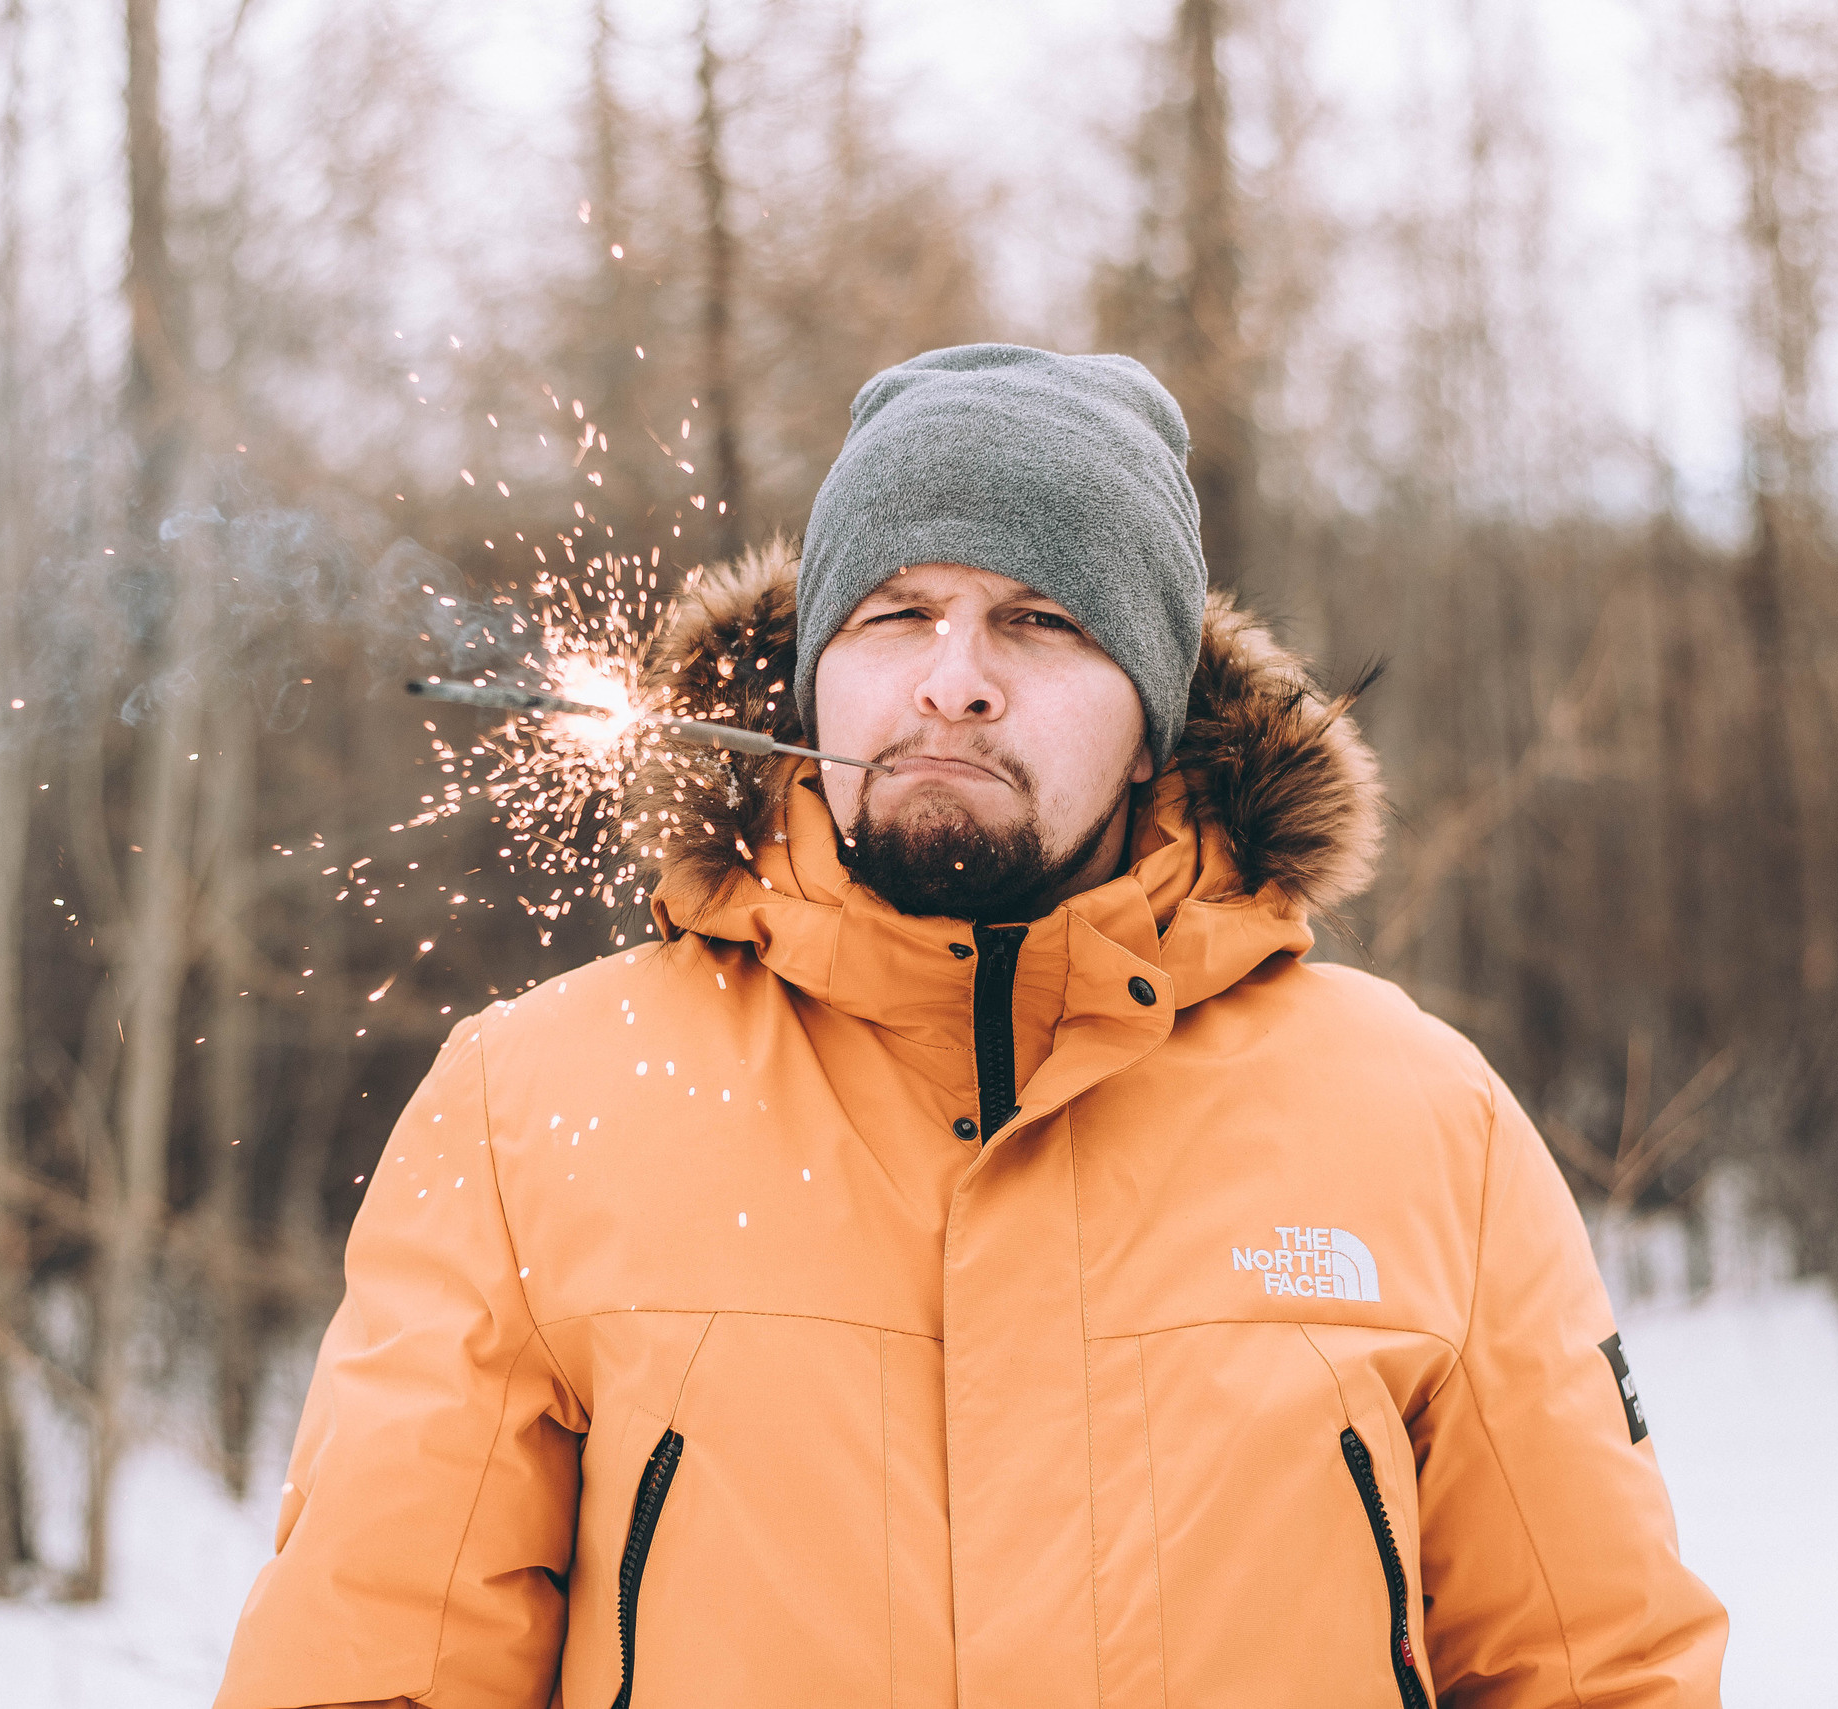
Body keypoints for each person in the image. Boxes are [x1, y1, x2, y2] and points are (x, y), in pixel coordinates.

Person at [214, 345, 1727, 1708]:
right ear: (811, 677)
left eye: (1041, 622)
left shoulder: (1422, 1120)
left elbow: (1599, 1674)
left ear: (1154, 719)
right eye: (896, 615)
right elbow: (370, 1675)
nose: (954, 684)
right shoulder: (535, 1102)